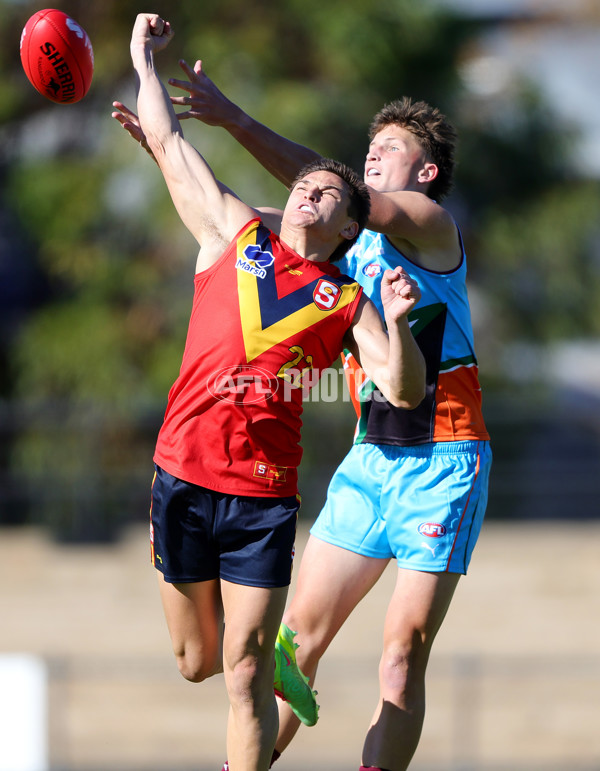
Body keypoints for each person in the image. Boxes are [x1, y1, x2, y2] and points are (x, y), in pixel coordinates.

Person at [145, 60, 494, 771]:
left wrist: (235, 118)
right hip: (371, 460)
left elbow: (341, 196)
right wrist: (163, 144)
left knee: (400, 656)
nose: (373, 152)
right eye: (370, 144)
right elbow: (254, 215)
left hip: (444, 461)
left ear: (425, 173)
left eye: (391, 147)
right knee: (288, 648)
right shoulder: (348, 248)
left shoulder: (429, 225)